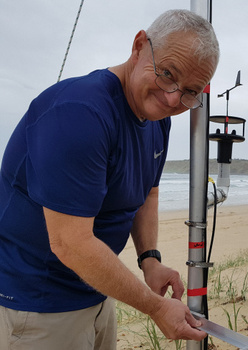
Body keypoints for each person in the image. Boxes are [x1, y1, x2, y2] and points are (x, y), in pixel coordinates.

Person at [0, 9, 219, 350]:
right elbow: (70, 243)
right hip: (36, 304)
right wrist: (155, 306)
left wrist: (150, 259)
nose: (174, 99)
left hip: (98, 291)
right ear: (138, 46)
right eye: (167, 74)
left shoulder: (156, 118)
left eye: (190, 92)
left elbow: (148, 193)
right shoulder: (80, 113)